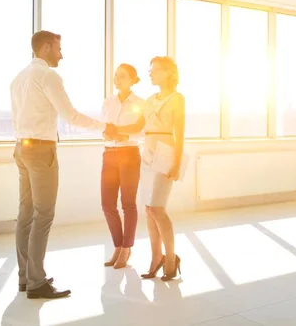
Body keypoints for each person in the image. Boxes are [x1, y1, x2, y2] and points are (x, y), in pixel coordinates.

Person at [11, 30, 116, 299]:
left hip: (21, 148)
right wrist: (106, 127)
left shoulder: (19, 78)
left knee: (26, 214)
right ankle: (36, 282)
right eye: (58, 49)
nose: (61, 54)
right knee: (43, 215)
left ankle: (25, 277)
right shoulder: (48, 76)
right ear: (45, 48)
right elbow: (70, 115)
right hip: (41, 150)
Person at [140, 56, 185, 281]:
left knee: (158, 209)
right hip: (147, 155)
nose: (151, 73)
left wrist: (176, 163)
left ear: (169, 73)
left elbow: (180, 133)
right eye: (150, 70)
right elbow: (140, 125)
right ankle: (155, 257)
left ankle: (170, 257)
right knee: (149, 208)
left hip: (165, 154)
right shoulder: (149, 99)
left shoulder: (177, 98)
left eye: (155, 70)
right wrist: (113, 130)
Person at [101, 64, 145, 269]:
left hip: (129, 154)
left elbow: (143, 131)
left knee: (128, 203)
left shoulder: (140, 103)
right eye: (116, 75)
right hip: (109, 154)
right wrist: (107, 132)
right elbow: (103, 126)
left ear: (133, 79)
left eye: (122, 76)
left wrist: (122, 133)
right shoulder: (108, 102)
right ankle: (118, 246)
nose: (117, 79)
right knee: (107, 203)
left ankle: (127, 248)